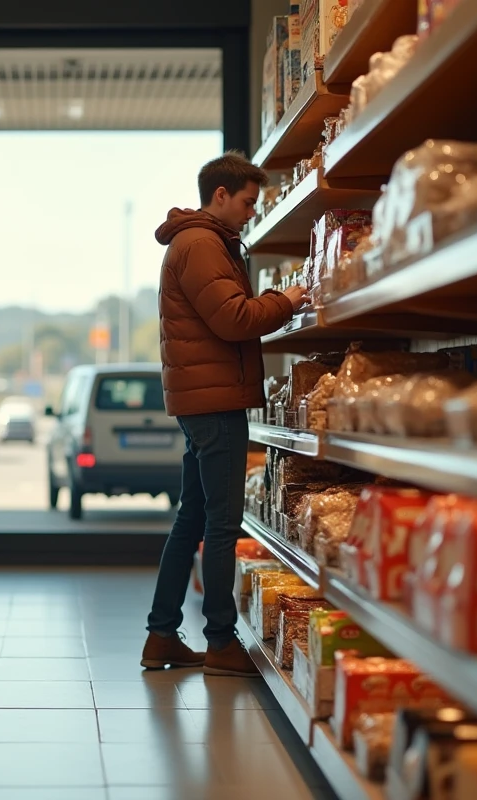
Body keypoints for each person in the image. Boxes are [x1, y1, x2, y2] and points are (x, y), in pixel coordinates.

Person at [142, 151, 307, 676]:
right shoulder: (201, 244)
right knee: (221, 524)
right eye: (248, 202)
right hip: (215, 403)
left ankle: (161, 636)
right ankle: (219, 641)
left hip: (204, 400)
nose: (252, 212)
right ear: (220, 195)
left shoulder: (202, 242)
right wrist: (288, 298)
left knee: (193, 518)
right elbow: (234, 318)